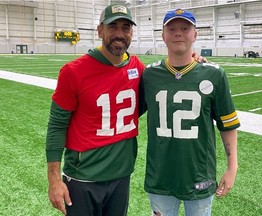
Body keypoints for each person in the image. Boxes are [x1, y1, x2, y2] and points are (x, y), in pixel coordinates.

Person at [46, 4, 145, 216]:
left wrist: (194, 61)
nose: (119, 34)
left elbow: (142, 105)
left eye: (125, 28)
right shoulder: (73, 72)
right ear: (100, 30)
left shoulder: (137, 67)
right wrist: (54, 180)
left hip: (122, 176)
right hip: (83, 178)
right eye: (113, 27)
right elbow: (56, 126)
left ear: (132, 32)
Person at [139, 9, 240, 216]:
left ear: (195, 34)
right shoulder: (149, 75)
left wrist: (232, 167)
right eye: (172, 29)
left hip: (200, 175)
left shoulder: (214, 75)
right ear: (163, 35)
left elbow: (227, 125)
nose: (178, 33)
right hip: (161, 176)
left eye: (185, 28)